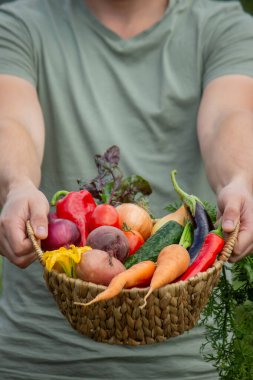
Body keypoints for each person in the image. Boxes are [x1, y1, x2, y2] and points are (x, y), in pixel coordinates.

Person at [0, 0, 253, 379]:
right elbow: (12, 115)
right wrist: (17, 184)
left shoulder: (221, 23)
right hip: (42, 356)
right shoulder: (20, 21)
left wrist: (240, 180)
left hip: (190, 362)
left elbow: (227, 117)